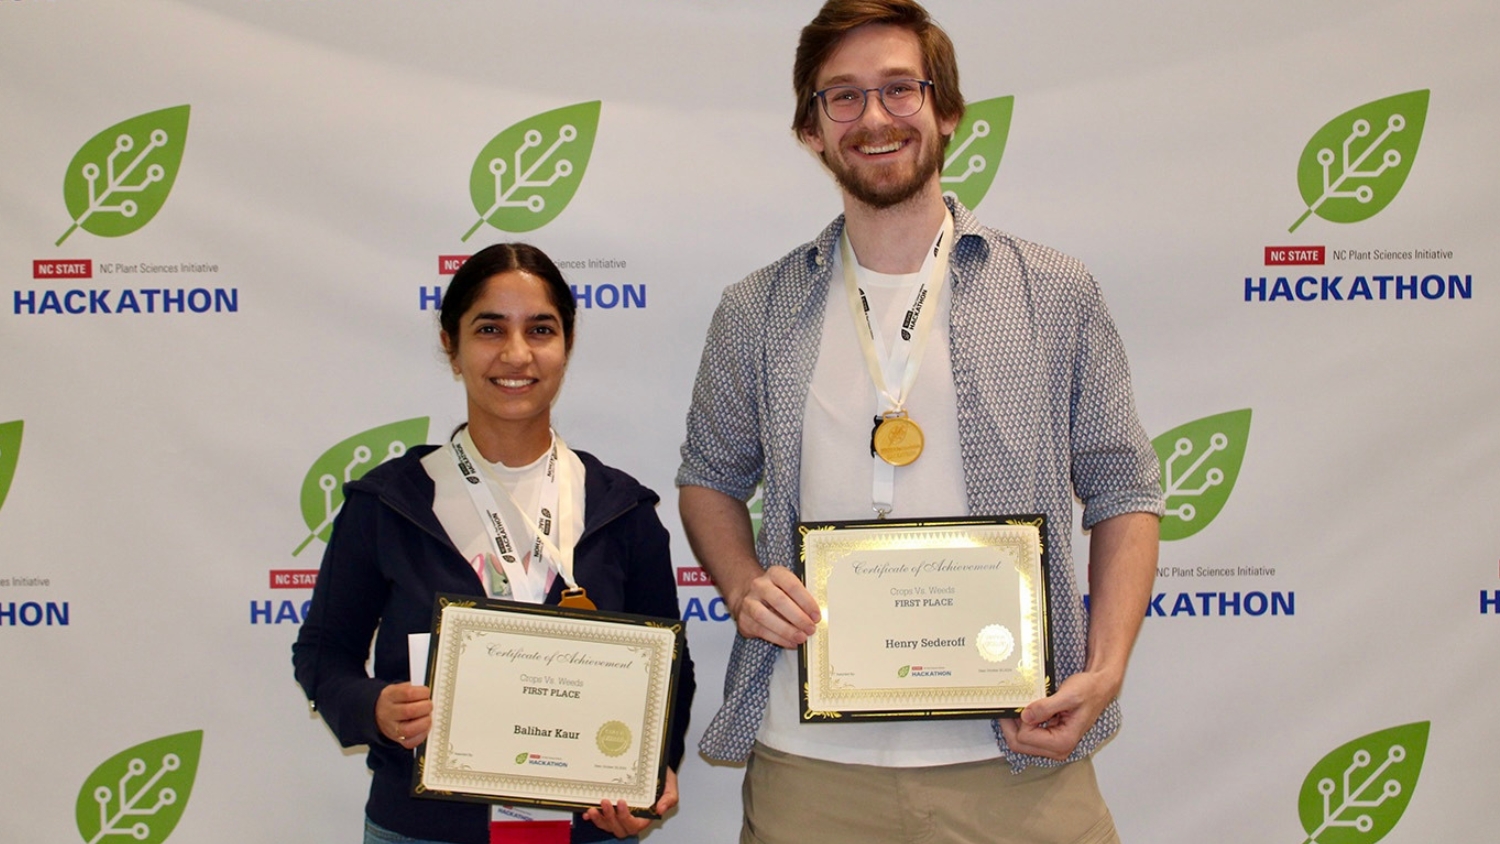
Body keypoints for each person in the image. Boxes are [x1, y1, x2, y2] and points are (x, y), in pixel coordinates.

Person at [676, 2, 1163, 842]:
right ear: (811, 130)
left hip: (1019, 753)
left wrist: (1108, 669)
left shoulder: (1054, 292)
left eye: (900, 89)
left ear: (946, 112)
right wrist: (743, 583)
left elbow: (1125, 488)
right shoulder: (754, 310)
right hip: (810, 768)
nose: (874, 118)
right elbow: (708, 481)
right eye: (843, 97)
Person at [293, 243, 695, 844]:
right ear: (451, 347)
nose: (516, 354)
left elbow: (670, 672)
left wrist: (652, 774)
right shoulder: (387, 504)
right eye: (489, 329)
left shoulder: (623, 509)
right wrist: (373, 706)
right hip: (422, 830)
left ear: (567, 344)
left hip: (582, 830)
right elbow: (324, 655)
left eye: (540, 329)